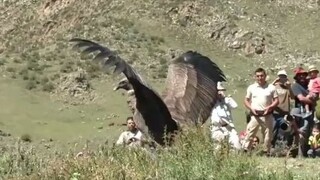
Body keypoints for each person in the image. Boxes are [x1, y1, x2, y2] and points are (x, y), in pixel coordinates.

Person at [243, 67, 279, 156]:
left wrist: (270, 107)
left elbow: (276, 100)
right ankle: (245, 150)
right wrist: (251, 108)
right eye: (258, 76)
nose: (260, 78)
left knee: (267, 134)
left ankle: (266, 151)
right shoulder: (251, 87)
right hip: (255, 114)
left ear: (265, 76)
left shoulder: (271, 87)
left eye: (262, 76)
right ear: (255, 77)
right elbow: (246, 100)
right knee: (250, 132)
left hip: (267, 114)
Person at [291, 66, 315, 157]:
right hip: (302, 112)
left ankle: (310, 153)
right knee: (302, 132)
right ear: (296, 77)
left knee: (312, 132)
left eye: (303, 75)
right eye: (299, 75)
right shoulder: (295, 86)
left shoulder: (309, 84)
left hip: (312, 111)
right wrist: (314, 102)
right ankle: (300, 155)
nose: (302, 77)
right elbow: (301, 98)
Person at [210, 82, 242, 150]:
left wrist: (225, 98)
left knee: (236, 145)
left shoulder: (226, 100)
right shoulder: (212, 102)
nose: (219, 93)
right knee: (218, 148)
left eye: (220, 91)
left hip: (229, 127)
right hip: (217, 128)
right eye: (218, 91)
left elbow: (235, 106)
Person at [270, 69, 294, 147]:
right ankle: (270, 148)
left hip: (285, 114)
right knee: (272, 131)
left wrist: (289, 87)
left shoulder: (288, 88)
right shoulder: (274, 87)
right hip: (274, 113)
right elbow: (267, 90)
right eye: (281, 76)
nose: (282, 78)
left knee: (283, 132)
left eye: (284, 76)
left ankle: (281, 149)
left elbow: (293, 97)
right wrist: (274, 81)